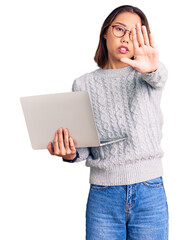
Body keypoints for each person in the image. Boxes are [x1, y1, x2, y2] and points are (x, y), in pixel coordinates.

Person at [47, 4, 169, 240]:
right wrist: (68, 153)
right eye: (120, 29)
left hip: (150, 191)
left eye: (134, 33)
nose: (126, 38)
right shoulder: (83, 84)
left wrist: (151, 68)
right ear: (105, 31)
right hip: (103, 195)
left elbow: (159, 76)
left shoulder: (148, 75)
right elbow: (82, 149)